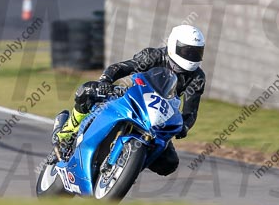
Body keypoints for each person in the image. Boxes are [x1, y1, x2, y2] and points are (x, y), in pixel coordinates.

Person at [53, 25, 207, 177]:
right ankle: (66, 133)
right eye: (188, 51)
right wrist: (105, 82)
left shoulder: (197, 77)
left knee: (169, 163)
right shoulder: (153, 56)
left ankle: (127, 168)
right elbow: (121, 68)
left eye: (196, 52)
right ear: (174, 45)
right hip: (131, 98)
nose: (191, 57)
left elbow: (191, 111)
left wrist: (184, 127)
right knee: (86, 91)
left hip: (158, 117)